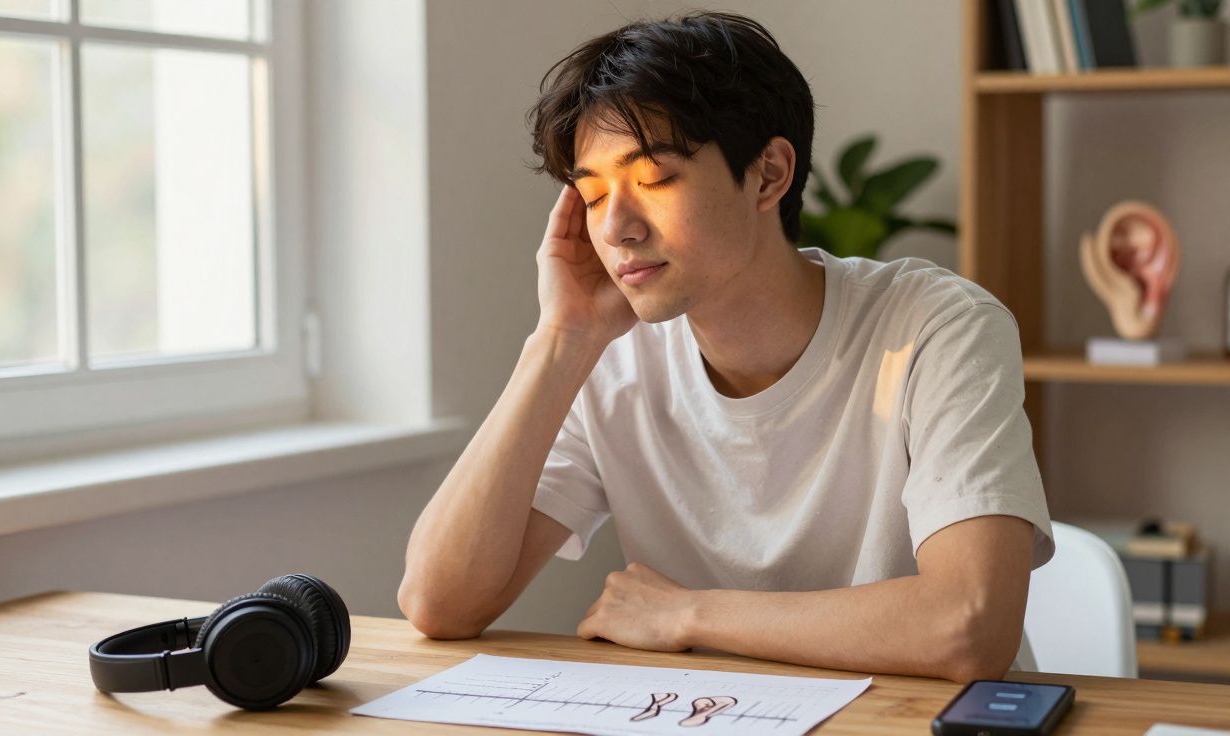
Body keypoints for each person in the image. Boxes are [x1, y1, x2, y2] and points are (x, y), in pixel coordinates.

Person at [397, 10, 1054, 683]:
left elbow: (969, 626)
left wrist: (688, 615)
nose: (617, 228)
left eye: (652, 179)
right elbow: (439, 603)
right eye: (593, 197)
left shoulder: (936, 328)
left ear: (769, 175)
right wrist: (559, 340)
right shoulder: (609, 359)